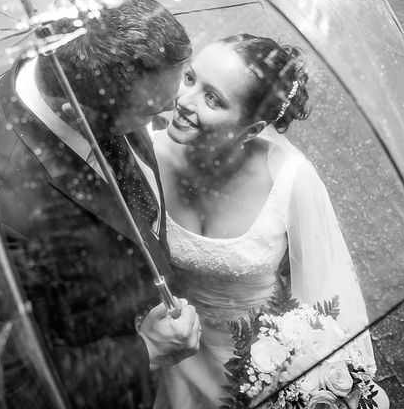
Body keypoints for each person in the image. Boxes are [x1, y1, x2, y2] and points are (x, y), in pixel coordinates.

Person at [0, 0, 201, 409]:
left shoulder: (94, 74)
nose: (163, 122)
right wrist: (143, 351)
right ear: (75, 113)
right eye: (148, 112)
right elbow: (0, 385)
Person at [152, 34, 389, 408]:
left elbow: (321, 291)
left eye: (213, 99)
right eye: (191, 78)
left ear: (249, 129)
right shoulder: (144, 158)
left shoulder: (291, 181)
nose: (184, 101)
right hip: (168, 352)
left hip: (260, 365)